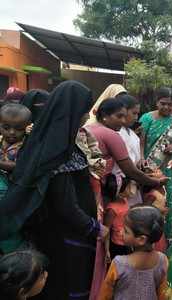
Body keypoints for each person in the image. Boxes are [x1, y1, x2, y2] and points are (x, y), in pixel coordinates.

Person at [0, 81, 109, 300]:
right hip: (67, 236)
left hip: (61, 232)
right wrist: (94, 228)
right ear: (70, 112)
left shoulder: (55, 141)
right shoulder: (58, 150)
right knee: (67, 286)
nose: (87, 117)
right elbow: (64, 204)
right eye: (84, 112)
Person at [81, 97, 167, 300]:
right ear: (103, 115)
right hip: (103, 194)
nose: (123, 119)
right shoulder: (110, 134)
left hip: (95, 191)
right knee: (107, 235)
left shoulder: (90, 130)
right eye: (118, 116)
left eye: (125, 115)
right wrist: (155, 182)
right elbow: (129, 169)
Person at [139, 87, 172, 241]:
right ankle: (145, 235)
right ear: (157, 102)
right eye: (163, 103)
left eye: (170, 104)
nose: (166, 107)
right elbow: (141, 141)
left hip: (167, 169)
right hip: (148, 168)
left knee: (165, 202)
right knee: (147, 200)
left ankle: (166, 239)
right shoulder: (147, 118)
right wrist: (142, 158)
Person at [99, 205, 169, 300]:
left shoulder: (118, 263)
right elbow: (163, 294)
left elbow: (105, 295)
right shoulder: (162, 260)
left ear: (141, 239)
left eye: (126, 231)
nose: (120, 231)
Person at [0, 103, 32, 254]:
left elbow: (20, 167)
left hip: (15, 194)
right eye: (6, 128)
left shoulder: (27, 144)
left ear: (27, 127)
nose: (12, 133)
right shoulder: (1, 141)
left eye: (18, 129)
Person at [113, 94, 143, 207]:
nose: (136, 117)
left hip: (133, 181)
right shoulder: (117, 133)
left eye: (138, 114)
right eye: (134, 113)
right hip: (122, 183)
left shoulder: (131, 133)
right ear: (124, 111)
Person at [104, 174, 130, 261]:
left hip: (128, 240)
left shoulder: (124, 200)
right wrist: (107, 250)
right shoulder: (112, 209)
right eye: (127, 187)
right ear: (120, 192)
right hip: (118, 244)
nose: (130, 189)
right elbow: (106, 229)